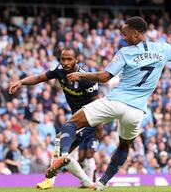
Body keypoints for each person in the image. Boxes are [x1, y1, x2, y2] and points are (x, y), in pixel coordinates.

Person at [45, 16, 171, 191]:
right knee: (124, 146)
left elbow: (105, 77)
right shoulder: (163, 49)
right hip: (136, 112)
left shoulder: (125, 53)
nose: (123, 38)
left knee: (72, 123)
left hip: (116, 102)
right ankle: (101, 183)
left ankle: (64, 154)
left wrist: (81, 75)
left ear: (136, 34)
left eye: (125, 34)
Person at [9, 47, 102, 190]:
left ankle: (55, 181)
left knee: (61, 147)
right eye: (63, 59)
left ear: (77, 60)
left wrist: (99, 127)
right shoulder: (59, 70)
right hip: (76, 119)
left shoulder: (86, 79)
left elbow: (97, 103)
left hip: (89, 118)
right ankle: (85, 182)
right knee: (62, 153)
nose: (65, 62)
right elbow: (39, 78)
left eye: (69, 59)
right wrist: (21, 82)